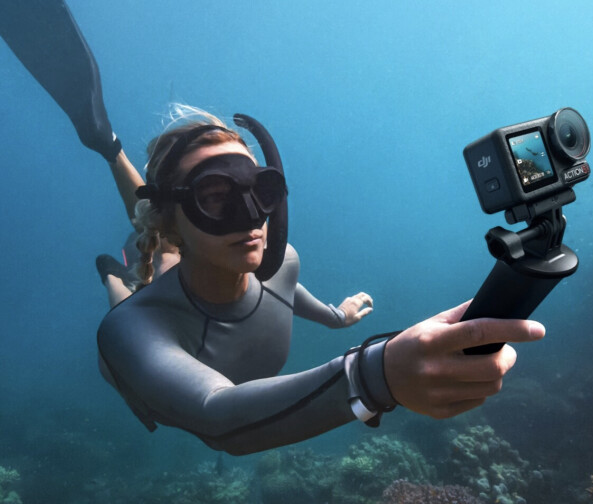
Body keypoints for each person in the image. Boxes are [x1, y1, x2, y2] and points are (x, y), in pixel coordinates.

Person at [3, 0, 546, 455]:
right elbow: (217, 417)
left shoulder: (280, 261)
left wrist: (336, 318)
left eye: (258, 191)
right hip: (146, 313)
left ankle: (126, 173)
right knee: (138, 281)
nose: (250, 217)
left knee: (176, 246)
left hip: (177, 240)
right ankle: (110, 233)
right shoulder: (130, 332)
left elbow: (284, 289)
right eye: (216, 197)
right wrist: (374, 376)